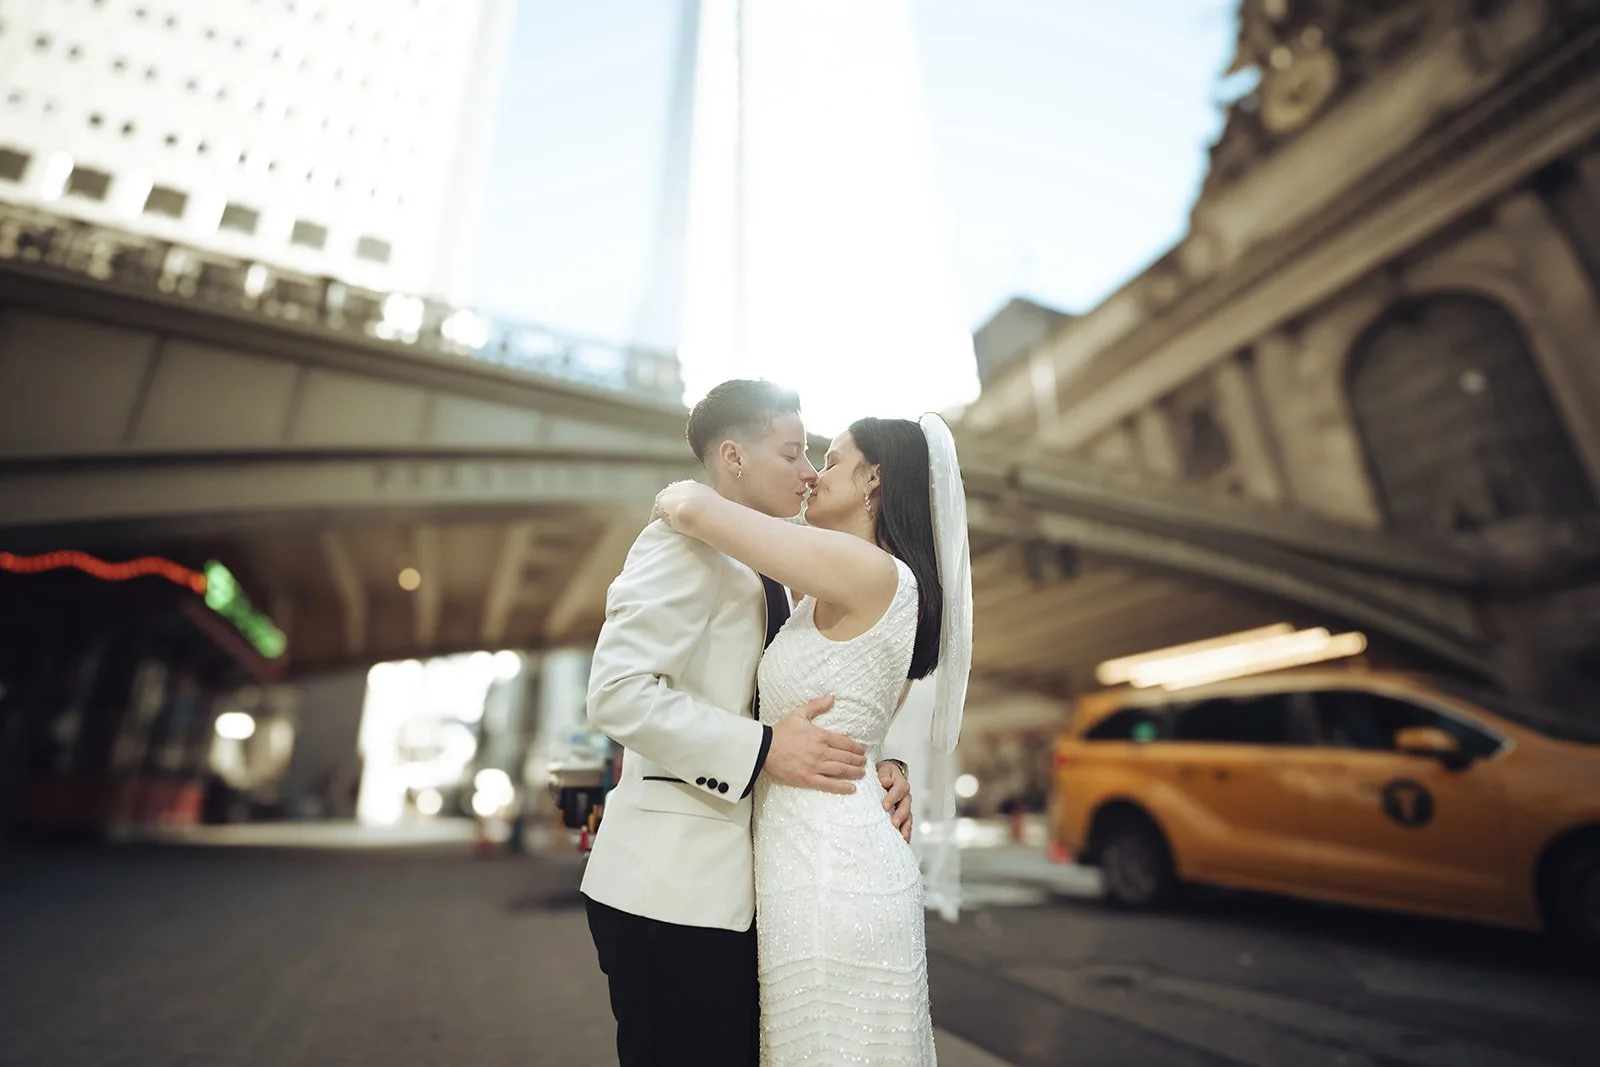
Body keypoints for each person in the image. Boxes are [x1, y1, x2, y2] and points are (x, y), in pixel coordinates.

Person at [580, 380, 917, 1067]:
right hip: (666, 888)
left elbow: (840, 679)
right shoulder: (678, 546)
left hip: (740, 890)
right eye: (793, 452)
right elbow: (617, 693)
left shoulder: (773, 567)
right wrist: (763, 747)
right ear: (733, 456)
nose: (807, 471)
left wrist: (884, 760)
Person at [654, 412, 972, 1066]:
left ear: (873, 479)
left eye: (830, 459)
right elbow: (865, 718)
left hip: (829, 877)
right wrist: (891, 763)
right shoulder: (865, 580)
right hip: (825, 860)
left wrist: (670, 496)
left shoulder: (863, 567)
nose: (813, 474)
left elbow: (691, 505)